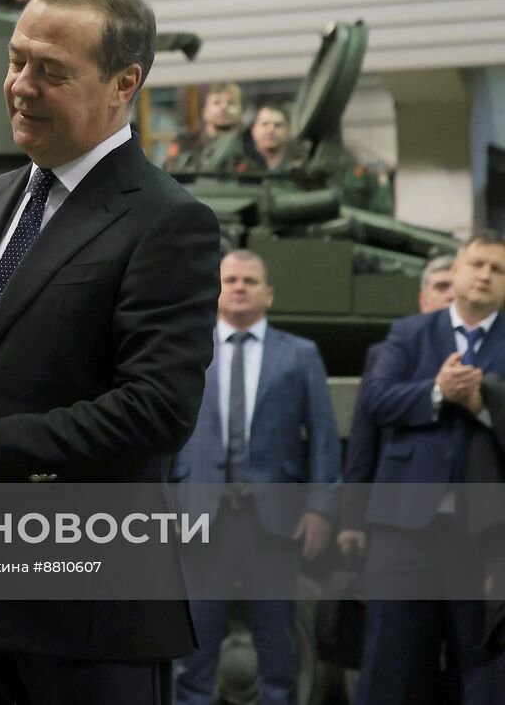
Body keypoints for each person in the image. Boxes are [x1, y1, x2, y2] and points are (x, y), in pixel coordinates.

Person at [0, 0, 221, 704]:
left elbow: (159, 408)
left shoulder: (166, 221)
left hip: (88, 619)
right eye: (17, 60)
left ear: (123, 83)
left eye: (51, 72)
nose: (20, 87)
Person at [172, 251, 340, 705]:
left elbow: (324, 438)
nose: (240, 286)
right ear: (216, 289)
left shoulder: (300, 354)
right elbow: (166, 435)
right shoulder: (189, 352)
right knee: (192, 651)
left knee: (278, 651)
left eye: (251, 279)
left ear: (269, 292)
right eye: (230, 279)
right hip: (198, 518)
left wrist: (321, 509)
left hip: (276, 524)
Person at [355, 232, 505, 705]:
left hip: (485, 535)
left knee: (482, 665)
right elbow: (376, 401)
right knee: (389, 662)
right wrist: (437, 391)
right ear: (456, 271)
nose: (484, 275)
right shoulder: (408, 334)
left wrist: (483, 403)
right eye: (477, 264)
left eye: (498, 270)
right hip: (403, 527)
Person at [337, 254, 456, 561]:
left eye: (457, 286)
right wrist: (352, 519)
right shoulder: (387, 355)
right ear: (423, 298)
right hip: (400, 511)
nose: (451, 294)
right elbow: (364, 439)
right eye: (442, 286)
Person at [164, 82, 244, 174]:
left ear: (241, 113)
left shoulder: (247, 144)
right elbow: (170, 171)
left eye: (231, 103)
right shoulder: (185, 142)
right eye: (216, 102)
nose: (223, 107)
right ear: (205, 112)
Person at [236, 104, 306, 174]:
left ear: (288, 131)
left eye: (278, 125)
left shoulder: (304, 161)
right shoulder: (238, 161)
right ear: (253, 130)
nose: (270, 130)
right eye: (265, 124)